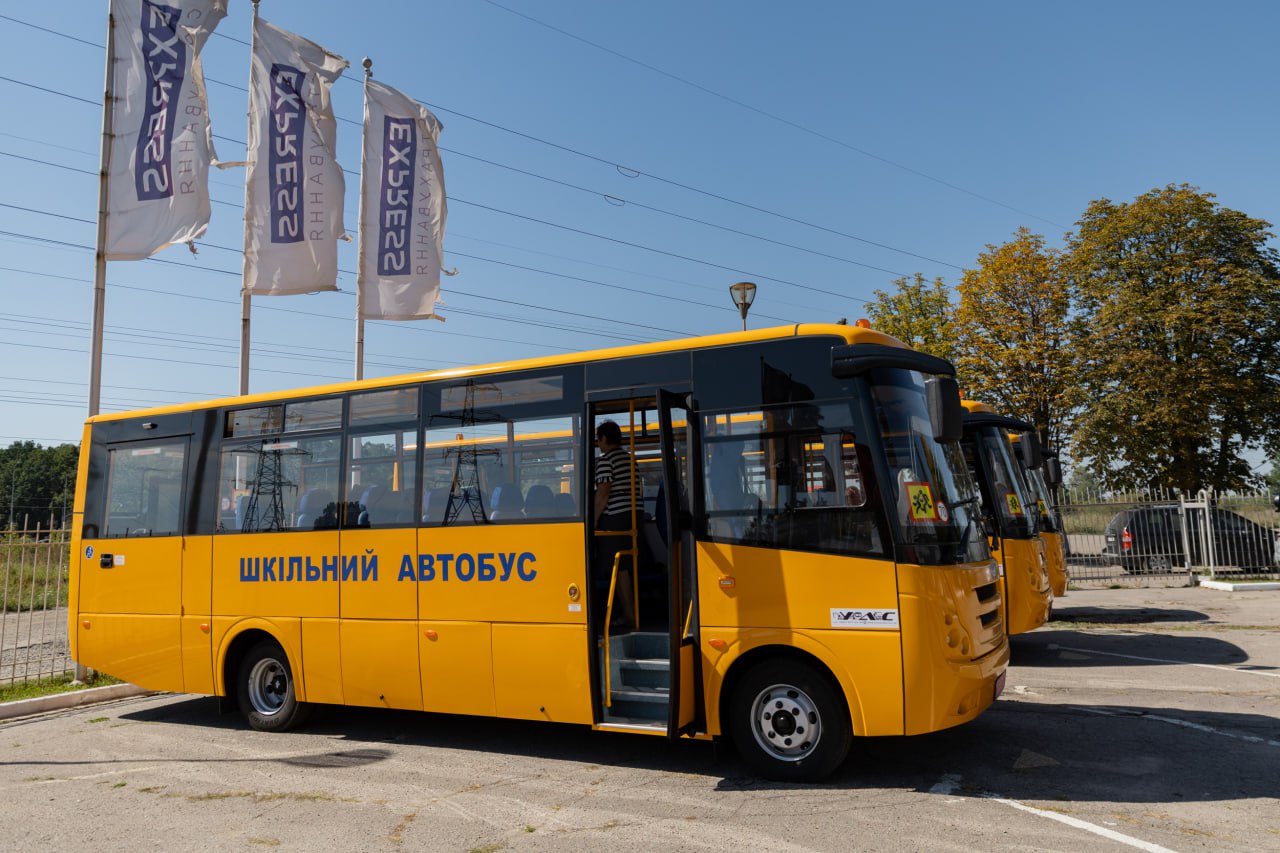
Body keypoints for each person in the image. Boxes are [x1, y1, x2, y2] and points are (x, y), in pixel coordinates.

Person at [593, 420, 638, 632]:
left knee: (618, 567)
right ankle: (629, 613)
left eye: (598, 439)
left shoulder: (606, 461)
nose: (598, 443)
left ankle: (629, 615)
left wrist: (594, 518)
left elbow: (603, 493)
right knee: (625, 565)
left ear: (604, 438)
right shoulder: (630, 460)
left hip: (615, 518)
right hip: (633, 516)